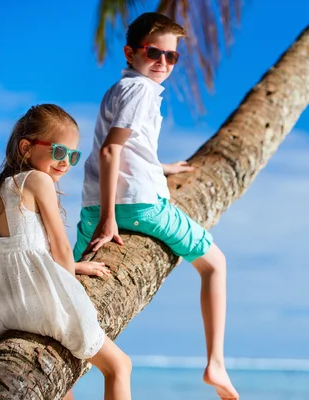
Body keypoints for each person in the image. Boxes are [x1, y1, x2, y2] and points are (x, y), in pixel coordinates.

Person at [73, 12, 239, 400]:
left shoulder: (121, 88)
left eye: (172, 57)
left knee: (76, 302)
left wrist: (159, 166)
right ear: (131, 53)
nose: (163, 63)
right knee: (215, 264)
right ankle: (215, 362)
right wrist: (113, 219)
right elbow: (111, 148)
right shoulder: (142, 91)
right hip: (137, 206)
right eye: (154, 53)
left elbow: (124, 146)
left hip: (92, 206)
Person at [0, 104, 132, 400]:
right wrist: (71, 291)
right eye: (58, 151)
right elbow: (59, 245)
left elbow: (20, 250)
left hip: (1, 305)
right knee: (119, 366)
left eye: (72, 155)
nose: (65, 162)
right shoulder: (38, 180)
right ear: (26, 148)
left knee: (61, 388)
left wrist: (78, 267)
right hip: (36, 302)